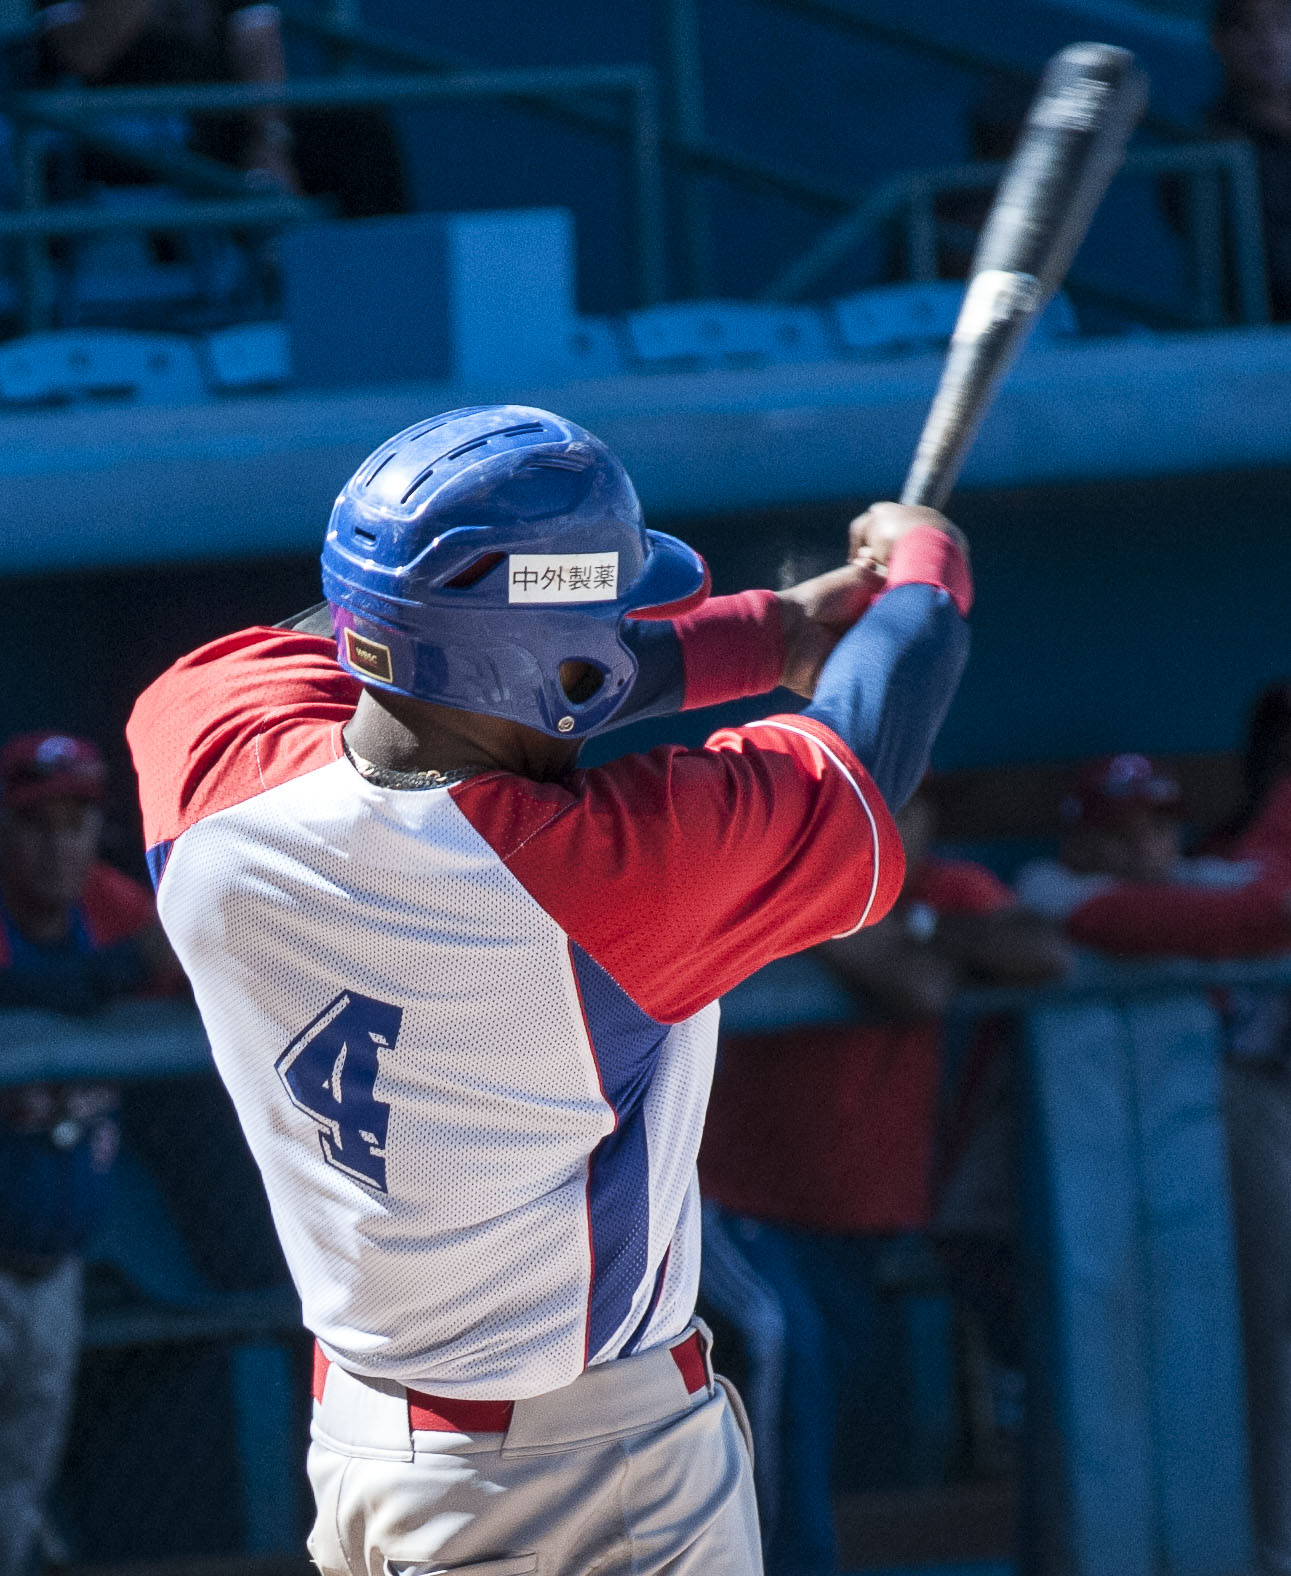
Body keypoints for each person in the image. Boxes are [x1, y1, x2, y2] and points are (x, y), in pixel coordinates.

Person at [126, 405, 973, 1574]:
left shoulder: (206, 758)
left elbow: (391, 655)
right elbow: (872, 742)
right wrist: (927, 571)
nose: (627, 633)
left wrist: (764, 636)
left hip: (366, 1451)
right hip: (580, 1484)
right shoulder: (596, 885)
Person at [698, 781, 1070, 1575]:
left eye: (908, 802)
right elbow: (917, 986)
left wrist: (923, 923)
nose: (892, 823)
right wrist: (893, 937)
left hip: (860, 1219)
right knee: (774, 1353)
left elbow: (1043, 950)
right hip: (736, 1203)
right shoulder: (777, 886)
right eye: (872, 801)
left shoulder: (941, 889)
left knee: (834, 1419)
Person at [0, 730, 175, 1576]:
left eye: (75, 821)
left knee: (20, 1474)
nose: (57, 844)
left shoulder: (110, 907)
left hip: (54, 1265)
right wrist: (116, 975)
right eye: (35, 822)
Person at [36, 0, 406, 217]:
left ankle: (389, 297)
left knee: (357, 129)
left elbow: (258, 45)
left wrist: (270, 143)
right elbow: (81, 55)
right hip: (113, 132)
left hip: (220, 120)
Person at [1211, 0, 1291, 320]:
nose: (1268, 43)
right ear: (1221, 40)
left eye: (1283, 25)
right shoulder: (1210, 149)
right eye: (1249, 28)